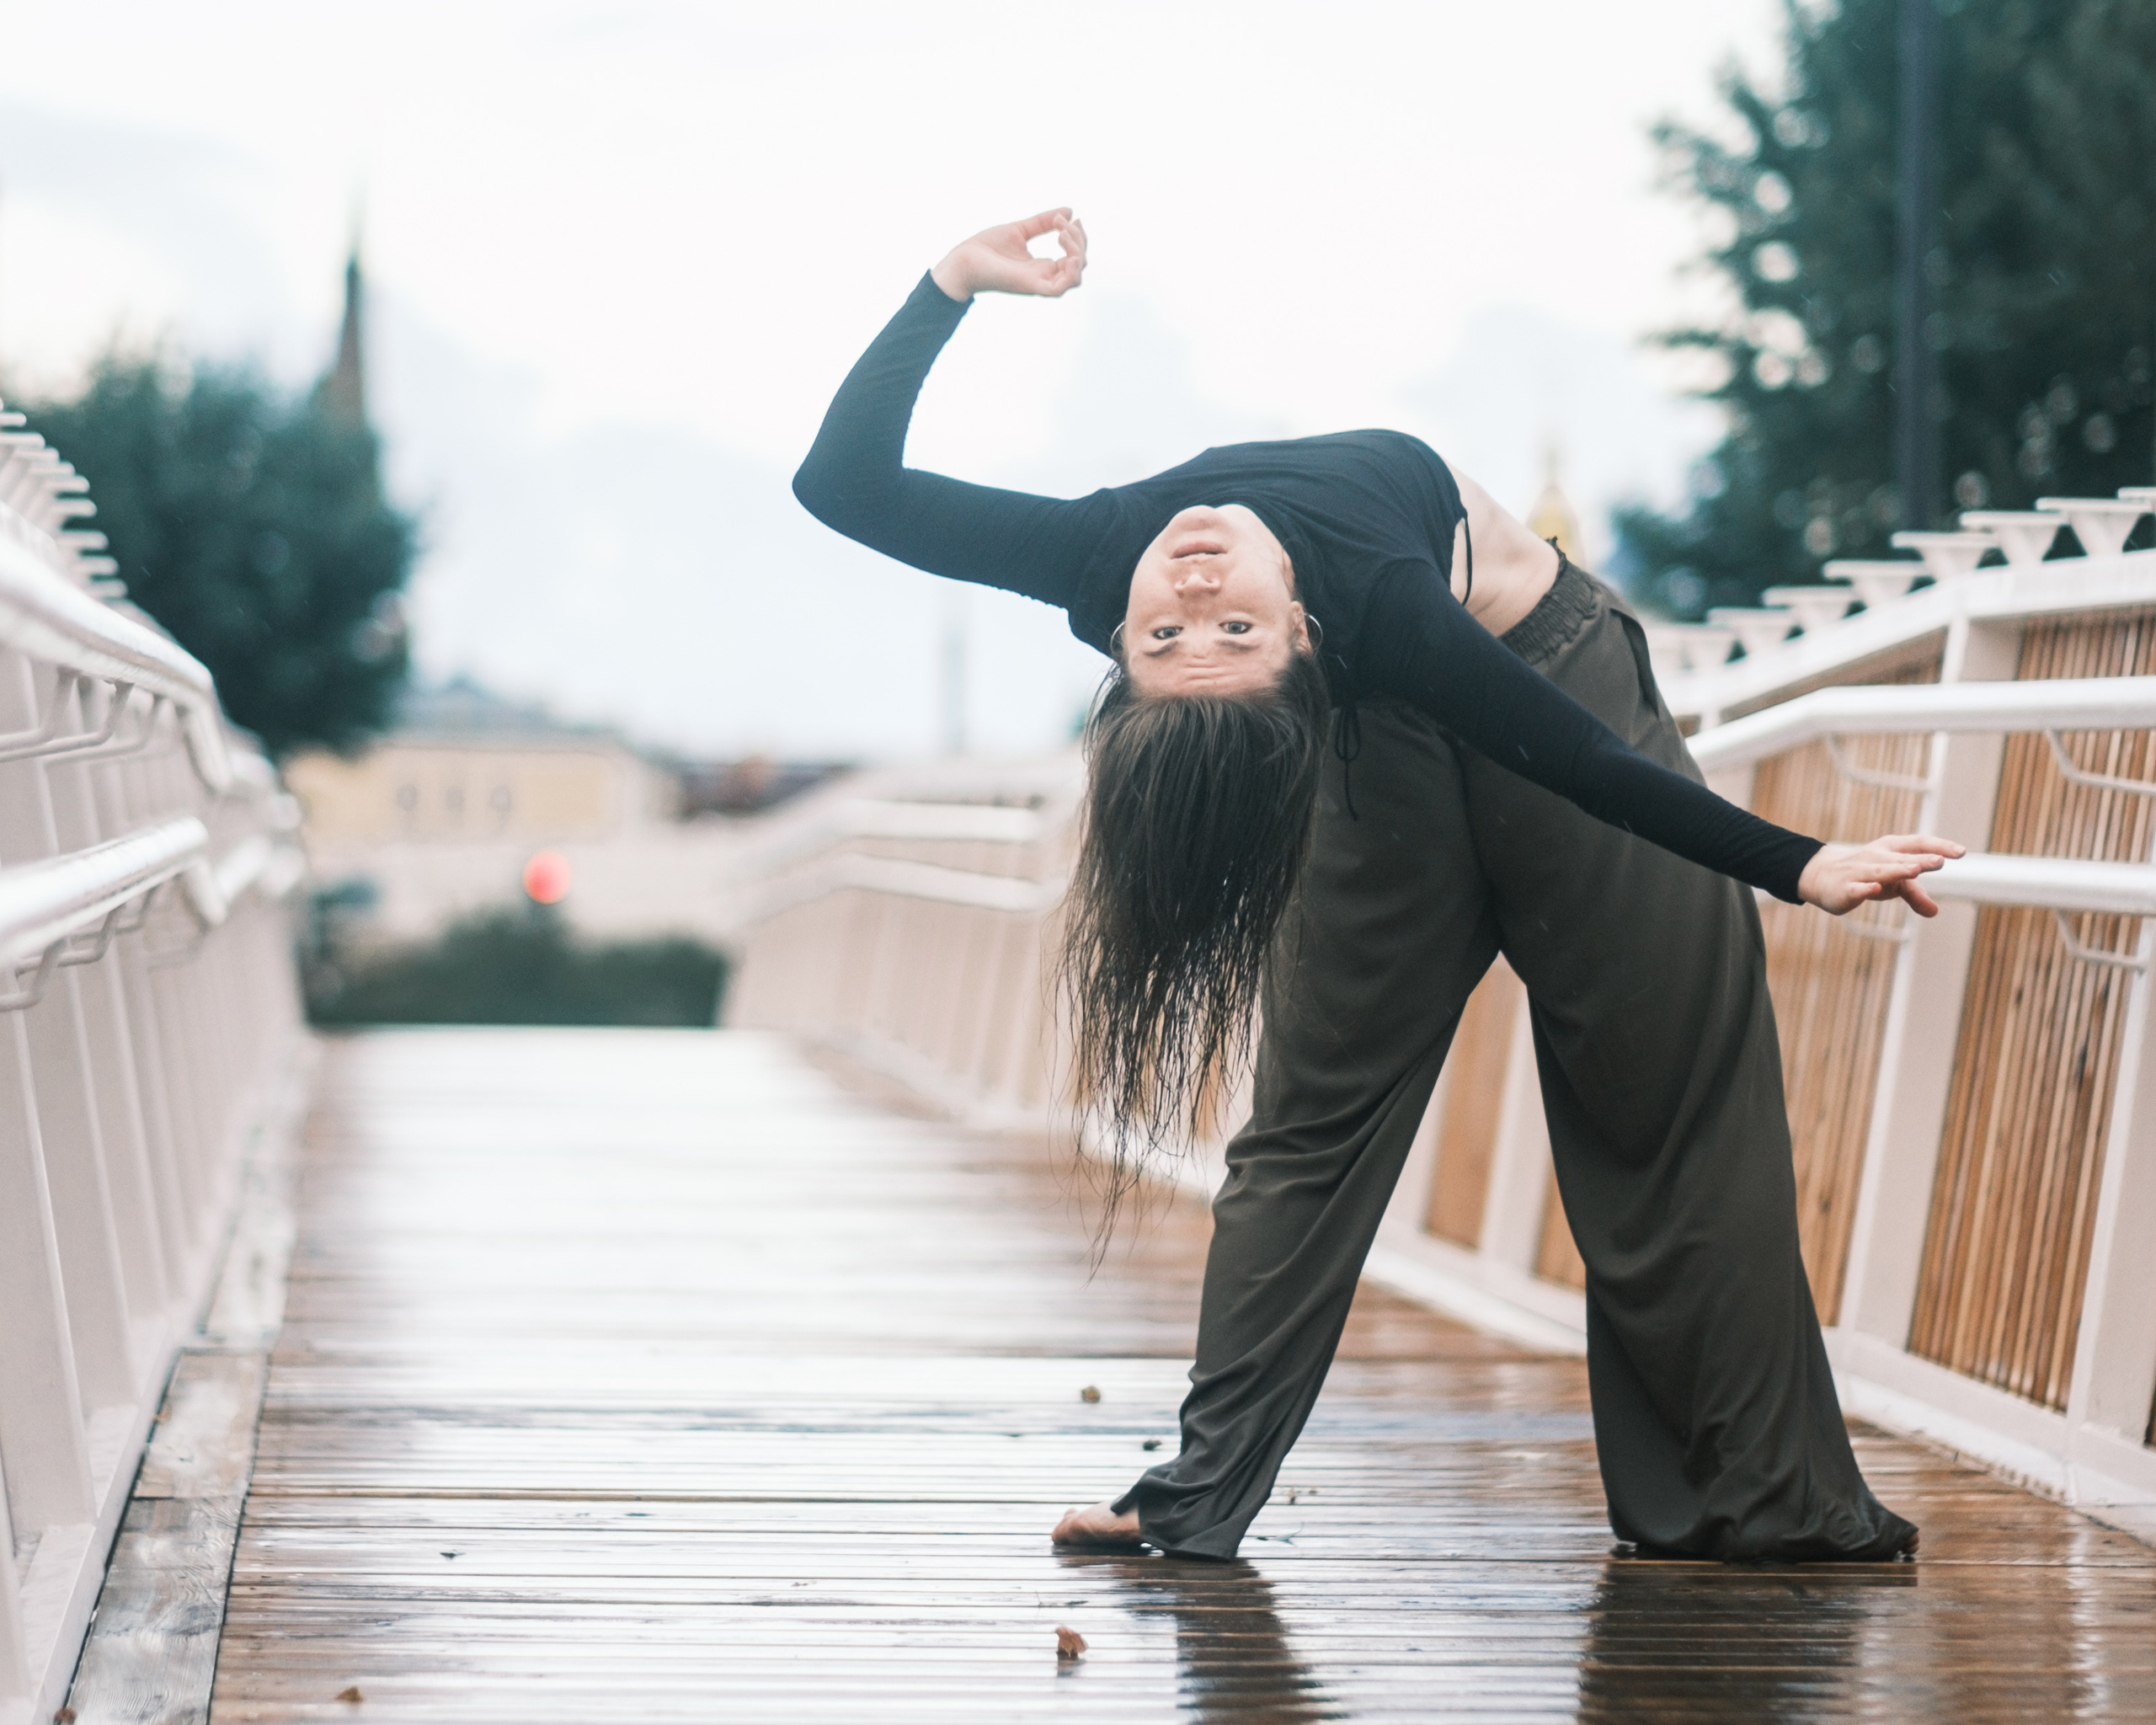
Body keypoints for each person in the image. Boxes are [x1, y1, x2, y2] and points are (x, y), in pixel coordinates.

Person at [792, 208, 1958, 1563]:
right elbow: (1591, 766)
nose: (1196, 590)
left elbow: (844, 488)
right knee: (1308, 1125)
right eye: (1198, 633)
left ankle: (1761, 1501)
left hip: (1543, 670)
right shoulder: (1337, 610)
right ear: (1299, 648)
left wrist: (955, 282)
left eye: (1193, 630)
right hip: (1399, 754)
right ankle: (1195, 1498)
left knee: (1664, 1105)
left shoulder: (1139, 553)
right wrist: (1802, 864)